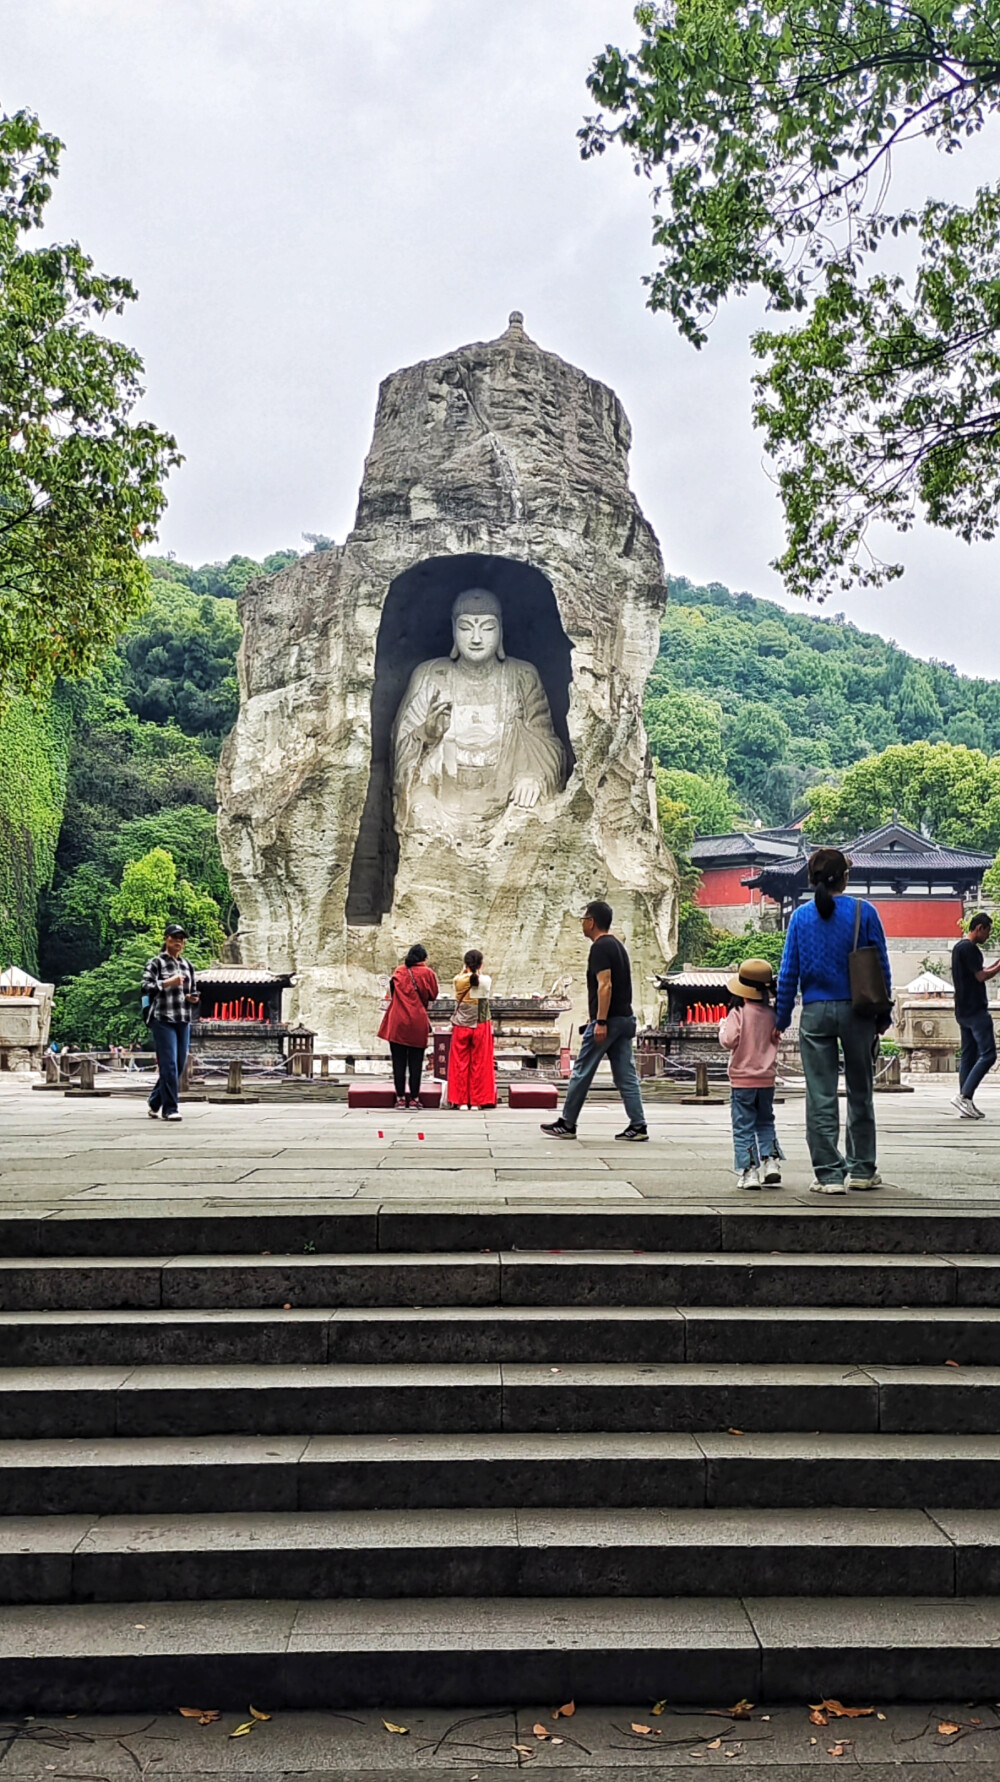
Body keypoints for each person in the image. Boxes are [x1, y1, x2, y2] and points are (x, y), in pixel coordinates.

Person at [775, 848, 891, 1194]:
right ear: (845, 877)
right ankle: (861, 1169)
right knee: (860, 1091)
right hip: (857, 1011)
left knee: (820, 1094)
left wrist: (781, 1018)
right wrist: (883, 1015)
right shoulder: (864, 912)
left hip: (815, 1012)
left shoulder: (800, 918)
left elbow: (788, 973)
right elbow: (880, 967)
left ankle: (828, 1174)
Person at [541, 900, 648, 1141]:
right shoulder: (618, 946)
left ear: (591, 922)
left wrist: (600, 1021)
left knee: (582, 1070)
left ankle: (567, 1123)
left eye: (584, 919)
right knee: (625, 1074)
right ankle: (638, 1124)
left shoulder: (600, 947)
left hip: (608, 1021)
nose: (583, 924)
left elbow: (605, 984)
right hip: (625, 1019)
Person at [719, 959, 783, 1190]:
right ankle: (771, 1162)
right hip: (767, 1079)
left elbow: (728, 1041)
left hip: (742, 1079)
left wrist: (721, 1028)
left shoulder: (738, 1013)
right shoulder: (773, 1014)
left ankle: (749, 1171)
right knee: (766, 1120)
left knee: (743, 1124)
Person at [142, 923, 200, 1122]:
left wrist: (193, 998)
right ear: (167, 939)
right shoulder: (156, 963)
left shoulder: (188, 965)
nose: (179, 942)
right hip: (162, 1017)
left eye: (182, 939)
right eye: (175, 938)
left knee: (179, 1063)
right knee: (168, 1064)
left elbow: (191, 991)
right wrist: (168, 983)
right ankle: (170, 1108)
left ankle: (155, 1100)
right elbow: (145, 987)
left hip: (183, 1017)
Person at [377, 944, 439, 1109]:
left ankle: (399, 1098)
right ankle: (414, 1098)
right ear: (424, 958)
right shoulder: (428, 973)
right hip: (417, 1022)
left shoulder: (399, 971)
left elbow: (392, 992)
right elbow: (433, 995)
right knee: (415, 1063)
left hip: (397, 1021)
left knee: (398, 1063)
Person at [951, 912, 1000, 1119]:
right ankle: (964, 1096)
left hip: (962, 1010)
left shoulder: (958, 948)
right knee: (989, 1054)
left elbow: (978, 972)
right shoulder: (970, 949)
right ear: (979, 928)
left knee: (969, 1055)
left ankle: (966, 1102)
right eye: (987, 931)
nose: (988, 936)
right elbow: (981, 976)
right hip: (975, 1010)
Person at [447, 949, 497, 1109]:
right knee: (480, 1062)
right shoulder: (486, 980)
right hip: (481, 1023)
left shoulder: (458, 980)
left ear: (465, 964)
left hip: (462, 1023)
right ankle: (477, 1101)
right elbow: (479, 979)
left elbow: (462, 978)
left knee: (459, 1062)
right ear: (481, 964)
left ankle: (461, 1101)